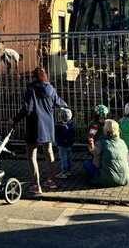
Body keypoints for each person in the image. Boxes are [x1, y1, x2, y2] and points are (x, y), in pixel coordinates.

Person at [13, 67, 68, 195]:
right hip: (48, 126)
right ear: (45, 76)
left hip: (34, 126)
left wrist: (15, 119)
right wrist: (67, 110)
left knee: (32, 155)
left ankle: (36, 186)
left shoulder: (31, 89)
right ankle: (52, 180)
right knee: (49, 153)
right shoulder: (51, 89)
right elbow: (60, 102)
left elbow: (27, 109)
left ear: (34, 77)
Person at [83, 119, 129, 187]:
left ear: (105, 130)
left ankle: (94, 178)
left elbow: (93, 152)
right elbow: (128, 160)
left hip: (108, 179)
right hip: (126, 178)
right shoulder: (122, 142)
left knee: (86, 163)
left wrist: (91, 144)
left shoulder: (102, 142)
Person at [54, 107, 75, 179]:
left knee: (63, 158)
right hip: (69, 144)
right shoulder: (71, 125)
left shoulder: (58, 126)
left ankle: (64, 172)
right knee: (69, 157)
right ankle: (69, 171)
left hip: (62, 145)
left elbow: (56, 134)